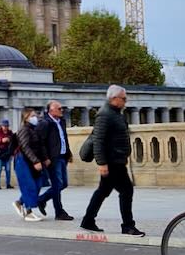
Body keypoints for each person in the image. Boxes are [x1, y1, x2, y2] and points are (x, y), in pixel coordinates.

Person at [79, 86, 142, 235]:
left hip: (116, 159)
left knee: (103, 191)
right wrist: (102, 163)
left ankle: (88, 220)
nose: (126, 101)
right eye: (123, 98)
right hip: (112, 161)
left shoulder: (115, 113)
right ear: (114, 98)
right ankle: (127, 225)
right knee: (126, 190)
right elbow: (98, 140)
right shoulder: (105, 115)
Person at [34, 100, 74, 221]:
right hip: (52, 159)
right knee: (57, 185)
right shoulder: (45, 123)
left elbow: (64, 138)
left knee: (63, 184)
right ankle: (59, 212)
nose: (62, 110)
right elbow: (39, 142)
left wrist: (68, 153)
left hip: (62, 156)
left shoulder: (61, 121)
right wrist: (45, 158)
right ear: (51, 110)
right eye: (59, 108)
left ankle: (41, 200)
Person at [12, 110, 48, 221]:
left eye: (35, 115)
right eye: (32, 116)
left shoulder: (34, 129)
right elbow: (25, 146)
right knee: (29, 186)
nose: (35, 118)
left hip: (31, 160)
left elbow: (40, 145)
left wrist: (44, 158)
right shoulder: (24, 129)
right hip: (23, 160)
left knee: (38, 184)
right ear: (26, 118)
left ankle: (19, 202)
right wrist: (35, 161)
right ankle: (28, 212)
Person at [0, 119, 15, 190]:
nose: (5, 127)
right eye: (4, 126)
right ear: (1, 126)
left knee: (8, 169)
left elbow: (14, 141)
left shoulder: (10, 132)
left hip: (7, 152)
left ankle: (8, 184)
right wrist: (1, 140)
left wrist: (9, 139)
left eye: (6, 126)